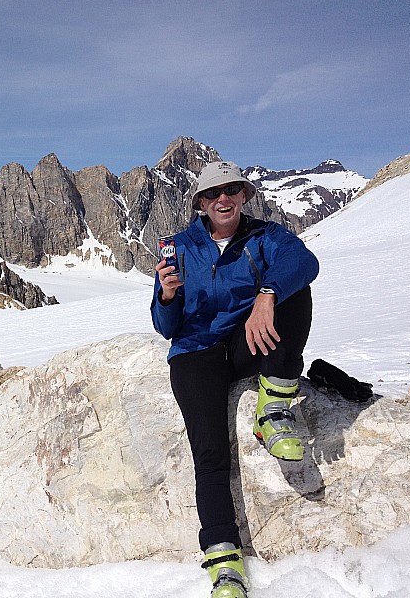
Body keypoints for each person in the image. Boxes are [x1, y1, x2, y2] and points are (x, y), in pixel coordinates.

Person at [150, 161, 318, 598]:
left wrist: (267, 294)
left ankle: (275, 406)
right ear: (201, 204)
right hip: (197, 352)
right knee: (209, 453)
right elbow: (166, 326)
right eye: (212, 194)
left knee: (293, 290)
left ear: (244, 195)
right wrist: (168, 295)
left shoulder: (266, 236)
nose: (222, 199)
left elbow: (304, 262)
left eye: (231, 191)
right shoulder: (180, 246)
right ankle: (225, 563)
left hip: (245, 345)